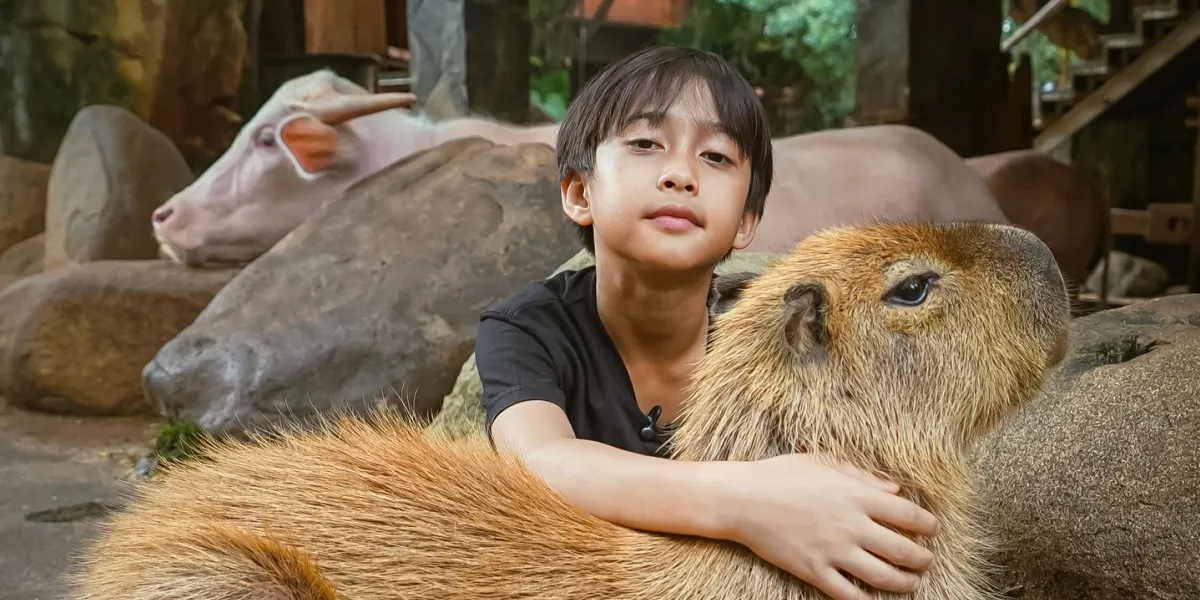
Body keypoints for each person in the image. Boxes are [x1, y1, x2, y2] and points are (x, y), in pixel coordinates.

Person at [473, 45, 940, 600]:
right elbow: (540, 462)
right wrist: (752, 504)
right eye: (645, 144)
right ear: (580, 193)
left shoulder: (770, 334)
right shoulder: (524, 330)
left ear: (746, 221)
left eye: (717, 157)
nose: (680, 174)